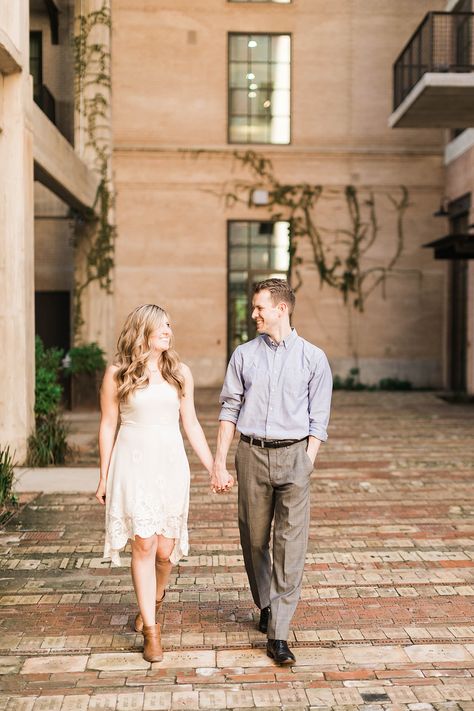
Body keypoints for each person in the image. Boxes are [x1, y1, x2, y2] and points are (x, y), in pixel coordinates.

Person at [211, 278, 332, 665]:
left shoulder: (314, 358)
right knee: (254, 539)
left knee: (290, 547)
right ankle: (266, 602)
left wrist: (307, 460)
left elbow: (319, 421)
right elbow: (229, 410)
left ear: (282, 309)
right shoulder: (244, 355)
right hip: (251, 455)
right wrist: (218, 461)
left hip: (295, 457)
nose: (254, 314)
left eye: (260, 308)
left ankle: (278, 633)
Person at [95, 304, 220, 662]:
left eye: (169, 325)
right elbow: (107, 424)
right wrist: (104, 475)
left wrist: (213, 465)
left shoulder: (179, 372)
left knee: (165, 551)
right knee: (143, 545)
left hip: (170, 464)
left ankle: (156, 595)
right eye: (162, 326)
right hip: (132, 463)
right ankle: (151, 630)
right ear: (143, 330)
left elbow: (191, 423)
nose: (169, 330)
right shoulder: (118, 372)